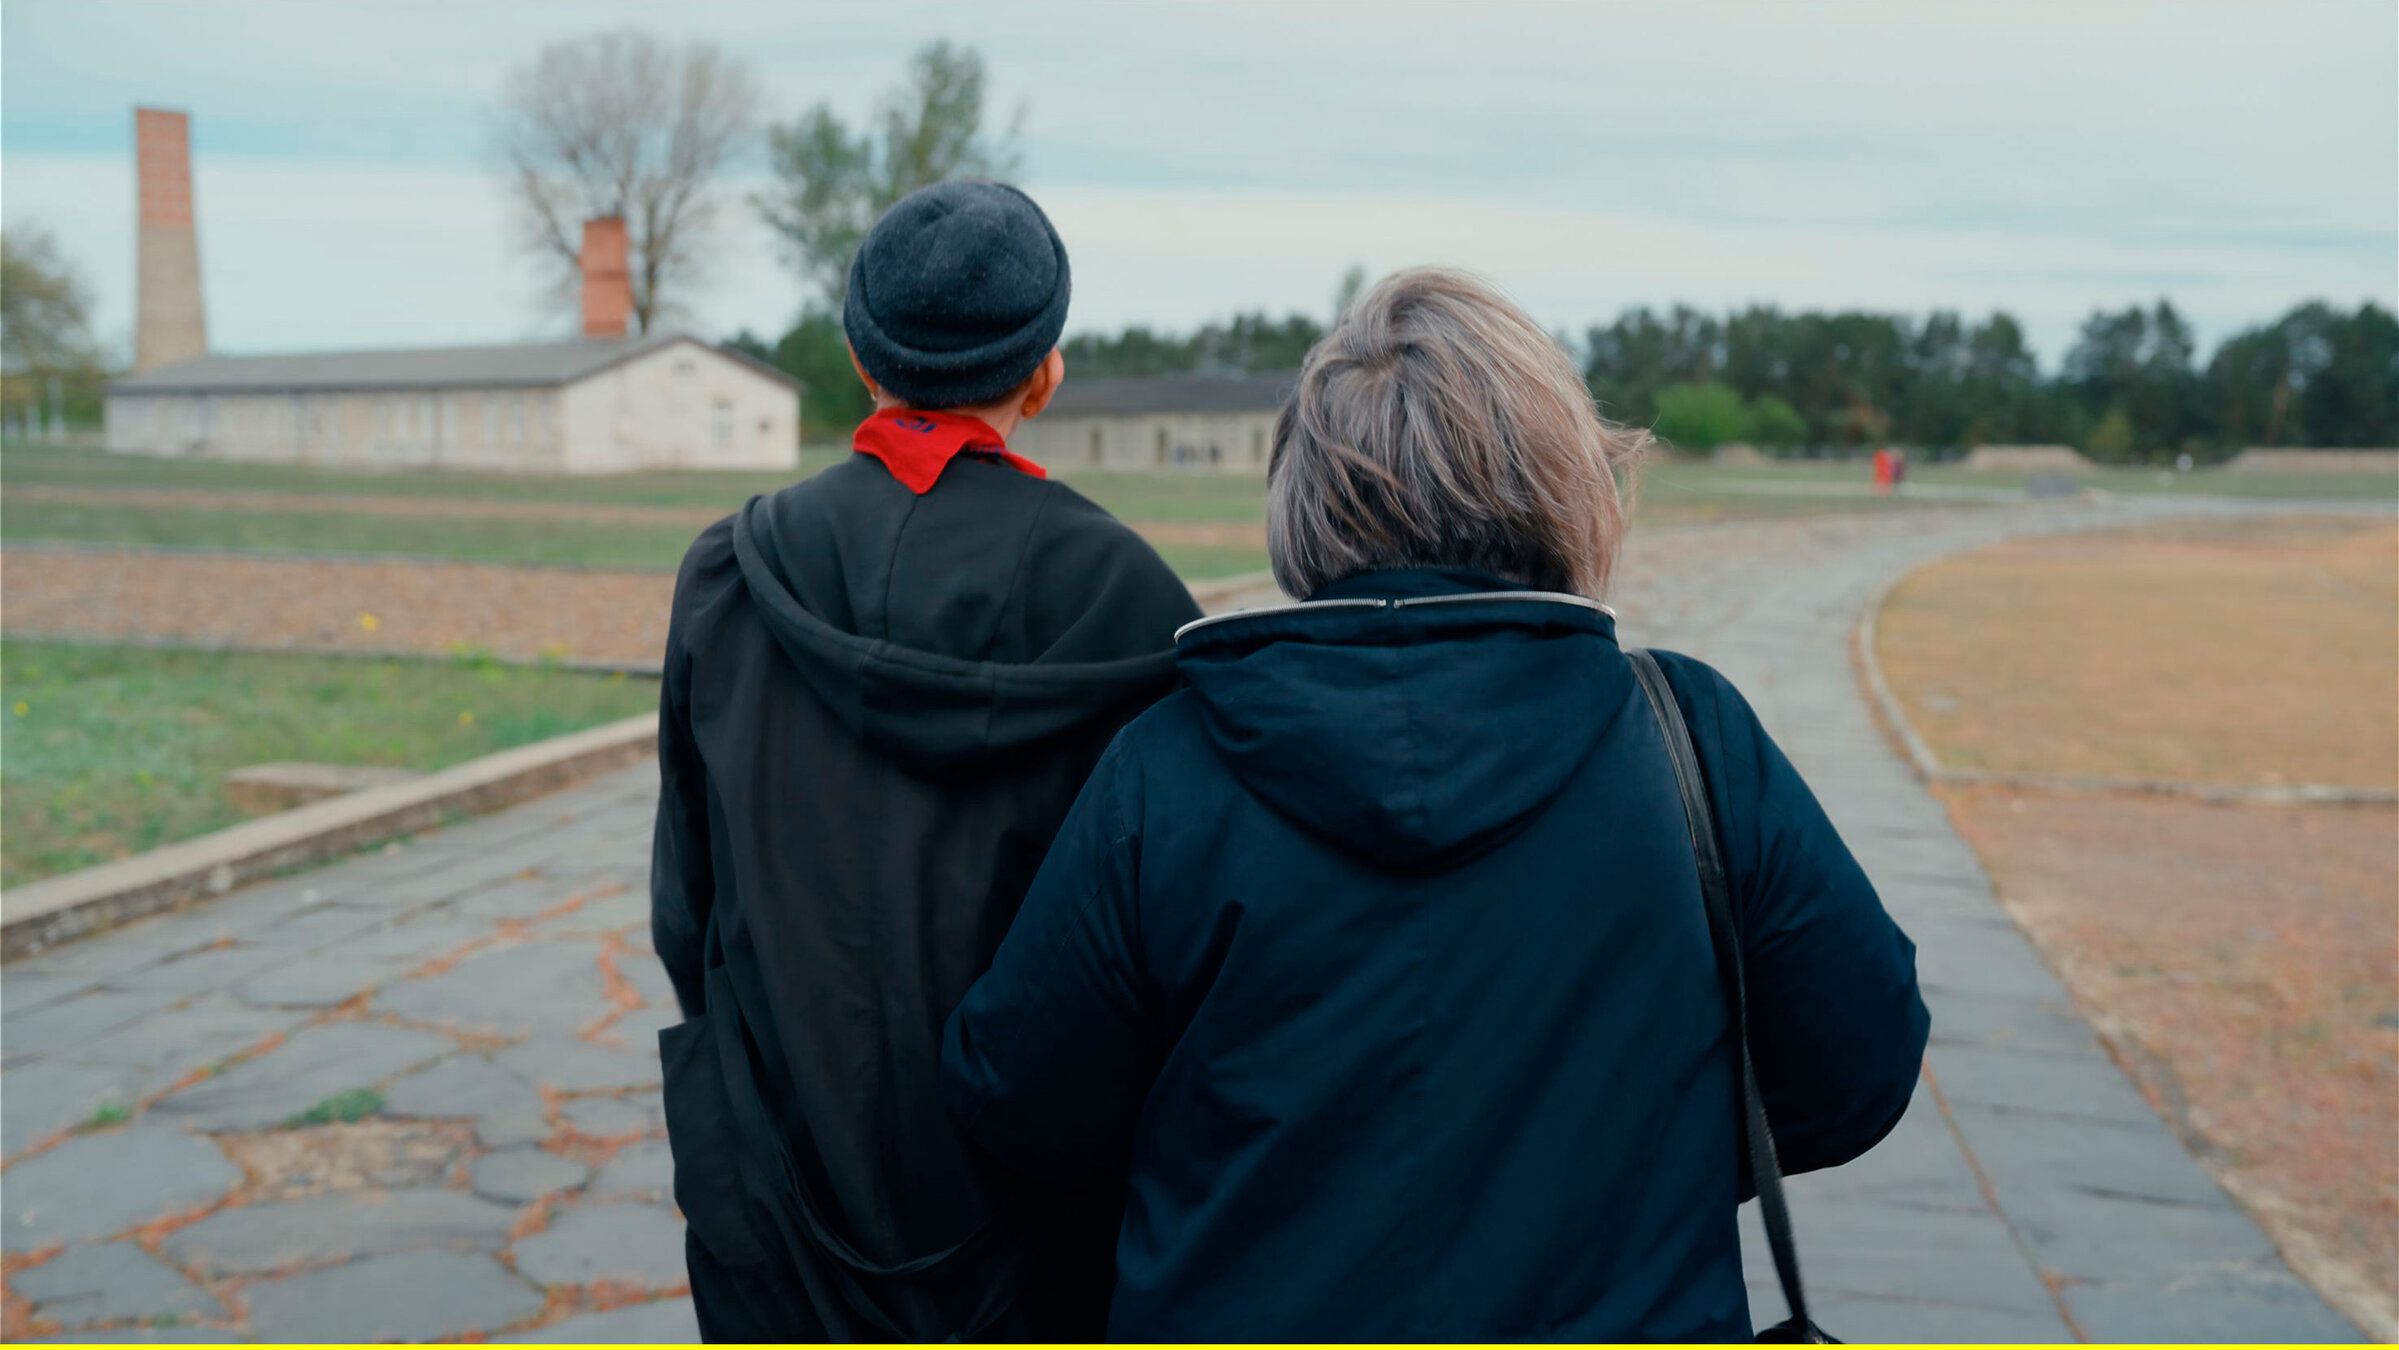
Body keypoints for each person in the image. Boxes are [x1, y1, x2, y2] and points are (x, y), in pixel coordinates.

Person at [942, 268, 1929, 1341]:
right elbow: (1859, 1063)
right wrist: (1641, 1161)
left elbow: (1023, 1098)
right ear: (1558, 479)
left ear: (1301, 493)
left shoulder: (1164, 767)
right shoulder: (1687, 735)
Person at [650, 181, 1200, 1342]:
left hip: (778, 1207)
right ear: (1044, 375)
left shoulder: (729, 578)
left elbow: (684, 911)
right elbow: (1167, 938)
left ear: (861, 360)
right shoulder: (1129, 601)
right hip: (1046, 1231)